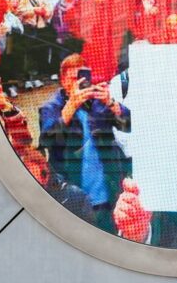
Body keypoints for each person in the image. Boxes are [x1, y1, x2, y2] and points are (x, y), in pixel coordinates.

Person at [39, 54, 130, 232]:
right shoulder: (51, 107)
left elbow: (128, 125)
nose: (80, 84)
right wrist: (70, 107)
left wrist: (111, 103)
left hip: (107, 195)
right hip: (74, 196)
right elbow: (46, 140)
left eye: (83, 78)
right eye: (74, 79)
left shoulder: (98, 103)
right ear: (63, 81)